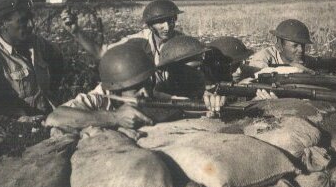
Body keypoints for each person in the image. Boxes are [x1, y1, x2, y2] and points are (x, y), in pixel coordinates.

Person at [46, 41, 225, 130]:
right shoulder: (98, 99)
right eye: (136, 87)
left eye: (147, 84)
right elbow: (55, 117)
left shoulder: (152, 95)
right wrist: (114, 117)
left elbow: (179, 104)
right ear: (113, 89)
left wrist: (208, 105)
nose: (145, 93)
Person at [61, 0, 184, 83]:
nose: (167, 27)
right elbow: (100, 53)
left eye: (171, 21)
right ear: (150, 25)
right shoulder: (138, 40)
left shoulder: (183, 42)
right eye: (161, 22)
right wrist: (76, 32)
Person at [155, 35, 227, 114]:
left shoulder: (200, 92)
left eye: (201, 68)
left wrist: (215, 100)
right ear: (174, 71)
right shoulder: (156, 98)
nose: (201, 74)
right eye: (195, 68)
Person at [248, 19, 315, 74]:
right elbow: (259, 74)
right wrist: (294, 69)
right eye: (295, 45)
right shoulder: (263, 57)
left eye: (303, 45)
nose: (301, 50)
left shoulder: (303, 59)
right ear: (279, 46)